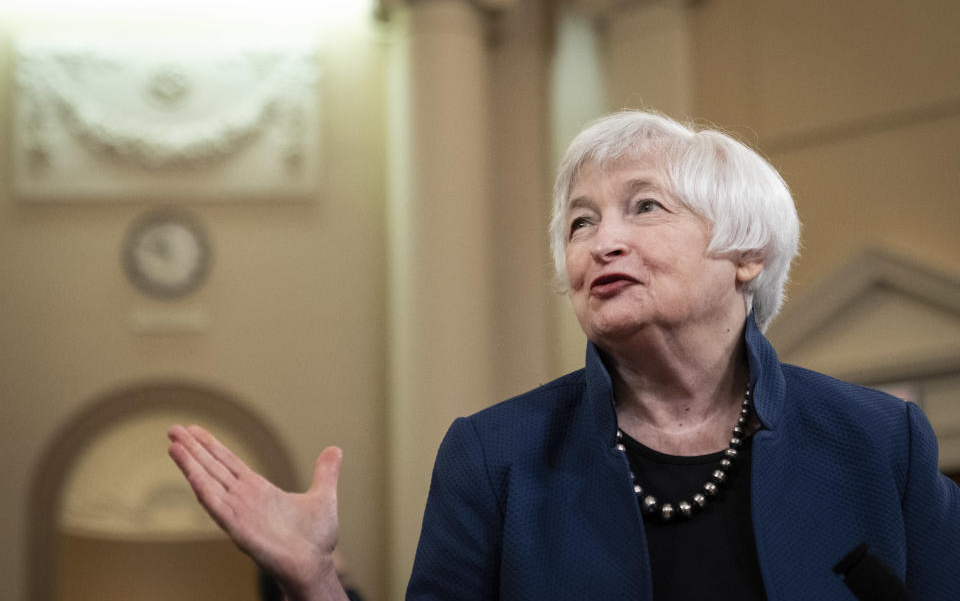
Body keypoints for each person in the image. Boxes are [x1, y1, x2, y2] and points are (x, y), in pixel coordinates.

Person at [168, 110, 960, 600]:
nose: (601, 240)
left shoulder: (880, 442)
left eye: (643, 206)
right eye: (580, 223)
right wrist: (311, 582)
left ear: (747, 253)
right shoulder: (495, 458)